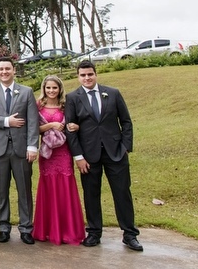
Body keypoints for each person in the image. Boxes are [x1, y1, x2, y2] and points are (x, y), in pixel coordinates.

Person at [65, 60, 142, 252]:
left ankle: (130, 234)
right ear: (78, 76)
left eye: (90, 74)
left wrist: (125, 147)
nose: (87, 78)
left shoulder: (113, 93)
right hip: (89, 155)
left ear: (95, 74)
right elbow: (70, 130)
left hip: (115, 153)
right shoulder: (73, 97)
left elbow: (126, 122)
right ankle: (94, 232)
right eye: (83, 75)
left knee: (122, 192)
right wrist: (78, 157)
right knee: (91, 194)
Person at [0, 56, 40, 245]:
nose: (4, 72)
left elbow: (32, 121)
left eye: (7, 68)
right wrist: (6, 121)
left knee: (24, 190)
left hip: (22, 149)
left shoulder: (26, 92)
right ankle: (3, 227)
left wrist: (32, 146)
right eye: (1, 69)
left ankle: (25, 228)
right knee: (1, 190)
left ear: (14, 70)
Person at [32, 75, 85, 245]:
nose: (51, 91)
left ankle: (68, 231)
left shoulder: (66, 104)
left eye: (54, 88)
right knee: (48, 186)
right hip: (47, 153)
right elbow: (33, 128)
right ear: (44, 88)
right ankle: (48, 230)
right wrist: (51, 126)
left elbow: (77, 122)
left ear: (60, 89)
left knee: (65, 186)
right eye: (48, 88)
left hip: (64, 152)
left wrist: (76, 126)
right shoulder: (38, 105)